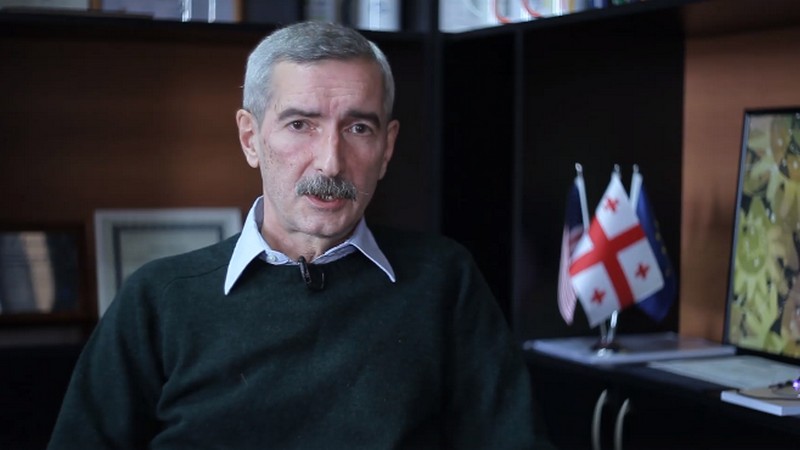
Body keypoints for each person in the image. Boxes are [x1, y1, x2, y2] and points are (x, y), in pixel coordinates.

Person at [48, 21, 551, 449]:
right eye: (300, 125)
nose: (330, 162)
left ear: (387, 147)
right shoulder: (159, 299)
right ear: (251, 138)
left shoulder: (443, 280)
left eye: (358, 128)